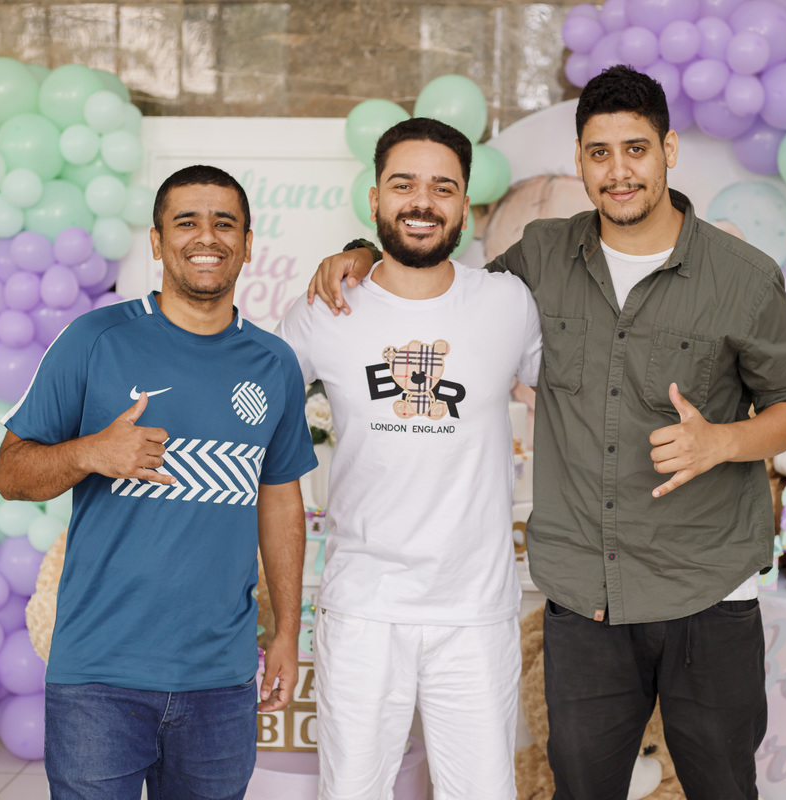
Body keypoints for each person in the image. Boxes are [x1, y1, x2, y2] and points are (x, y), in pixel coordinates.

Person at [308, 66, 786, 800]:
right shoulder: (541, 256)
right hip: (586, 595)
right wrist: (363, 254)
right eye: (599, 153)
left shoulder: (742, 275)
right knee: (579, 787)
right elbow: (435, 283)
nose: (619, 171)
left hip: (706, 586)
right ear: (579, 160)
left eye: (636, 149)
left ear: (669, 150)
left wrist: (723, 443)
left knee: (722, 786)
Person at [0, 165, 317, 800]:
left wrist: (285, 631)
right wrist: (91, 451)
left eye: (225, 223)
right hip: (99, 678)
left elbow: (280, 499)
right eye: (186, 222)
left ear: (248, 243)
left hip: (220, 681)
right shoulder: (95, 340)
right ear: (156, 240)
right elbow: (11, 473)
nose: (207, 237)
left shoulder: (274, 362)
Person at [276, 117, 541, 800]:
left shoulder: (507, 302)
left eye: (442, 188)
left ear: (465, 207)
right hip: (364, 606)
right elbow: (253, 408)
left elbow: (583, 392)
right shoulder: (325, 306)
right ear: (374, 199)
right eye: (403, 185)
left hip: (475, 610)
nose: (422, 202)